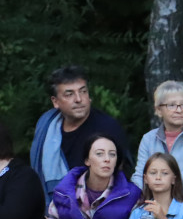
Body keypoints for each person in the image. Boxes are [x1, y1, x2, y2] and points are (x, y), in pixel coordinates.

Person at [30, 65, 130, 196]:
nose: (78, 99)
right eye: (69, 94)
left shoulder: (107, 128)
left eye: (83, 91)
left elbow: (120, 176)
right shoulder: (47, 126)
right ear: (55, 102)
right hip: (51, 206)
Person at [131, 80, 183, 201]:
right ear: (158, 110)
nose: (179, 110)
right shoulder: (148, 139)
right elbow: (139, 177)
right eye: (172, 105)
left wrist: (168, 178)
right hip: (154, 205)